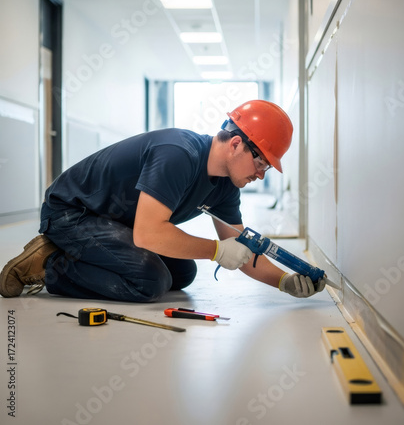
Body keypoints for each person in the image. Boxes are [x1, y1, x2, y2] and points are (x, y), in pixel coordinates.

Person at [0, 100, 325, 302]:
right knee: (150, 280)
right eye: (262, 163)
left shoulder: (225, 187)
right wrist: (214, 251)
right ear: (237, 144)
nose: (262, 174)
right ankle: (51, 264)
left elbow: (239, 249)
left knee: (182, 274)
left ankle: (75, 255)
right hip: (71, 213)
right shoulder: (179, 154)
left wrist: (284, 281)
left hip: (113, 224)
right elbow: (148, 235)